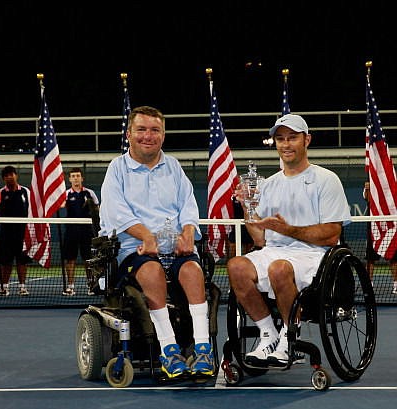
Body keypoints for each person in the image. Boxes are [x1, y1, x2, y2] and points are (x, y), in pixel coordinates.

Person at [99, 106, 214, 379]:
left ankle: (202, 348)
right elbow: (117, 214)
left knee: (193, 271)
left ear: (163, 134)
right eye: (141, 130)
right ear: (129, 134)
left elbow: (188, 205)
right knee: (151, 271)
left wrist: (187, 233)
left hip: (175, 248)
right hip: (133, 249)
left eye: (155, 130)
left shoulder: (173, 166)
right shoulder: (117, 169)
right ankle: (169, 350)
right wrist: (147, 237)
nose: (148, 136)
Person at [227, 114, 351, 368]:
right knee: (237, 266)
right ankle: (268, 335)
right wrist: (247, 208)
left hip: (315, 255)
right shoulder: (268, 185)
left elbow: (331, 234)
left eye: (292, 138)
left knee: (279, 268)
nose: (285, 144)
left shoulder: (326, 180)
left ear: (307, 140)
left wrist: (288, 229)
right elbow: (261, 239)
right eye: (280, 139)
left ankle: (288, 336)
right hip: (274, 251)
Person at [62, 167, 100, 296]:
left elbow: (97, 210)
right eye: (73, 176)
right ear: (70, 179)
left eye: (78, 175)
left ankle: (90, 284)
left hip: (86, 231)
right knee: (70, 259)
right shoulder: (66, 194)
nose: (76, 178)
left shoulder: (90, 193)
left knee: (88, 259)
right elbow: (59, 205)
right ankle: (70, 286)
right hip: (71, 230)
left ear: (82, 178)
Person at [0, 165, 30, 296]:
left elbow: (31, 209)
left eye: (12, 174)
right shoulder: (0, 193)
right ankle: (4, 287)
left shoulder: (26, 191)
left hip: (22, 232)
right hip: (5, 232)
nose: (10, 177)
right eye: (6, 175)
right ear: (4, 178)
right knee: (6, 262)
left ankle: (22, 286)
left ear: (16, 175)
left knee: (22, 261)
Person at [363, 181, 397, 293]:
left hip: (390, 228)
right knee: (370, 259)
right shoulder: (371, 187)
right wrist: (368, 189)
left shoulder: (392, 190)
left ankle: (396, 284)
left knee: (394, 258)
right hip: (374, 229)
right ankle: (369, 284)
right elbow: (367, 199)